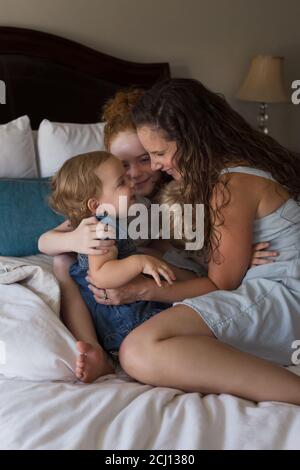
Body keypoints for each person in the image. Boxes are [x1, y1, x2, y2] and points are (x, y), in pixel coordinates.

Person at [38, 89, 277, 381]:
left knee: (149, 255)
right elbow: (46, 240)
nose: (137, 173)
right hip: (124, 275)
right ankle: (90, 345)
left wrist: (239, 257)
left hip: (178, 269)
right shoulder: (103, 209)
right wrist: (72, 240)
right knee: (64, 262)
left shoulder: (181, 189)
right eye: (122, 167)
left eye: (148, 157)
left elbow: (204, 245)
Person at [103, 78, 300, 405]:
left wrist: (142, 289)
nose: (154, 166)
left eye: (159, 153)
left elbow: (219, 282)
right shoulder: (229, 173)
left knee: (139, 349)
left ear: (192, 139)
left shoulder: (230, 184)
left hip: (286, 293)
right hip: (277, 284)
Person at [48, 150, 175, 382]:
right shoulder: (103, 229)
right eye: (121, 182)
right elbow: (101, 275)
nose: (131, 181)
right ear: (96, 205)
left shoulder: (113, 221)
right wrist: (139, 262)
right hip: (127, 321)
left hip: (121, 321)